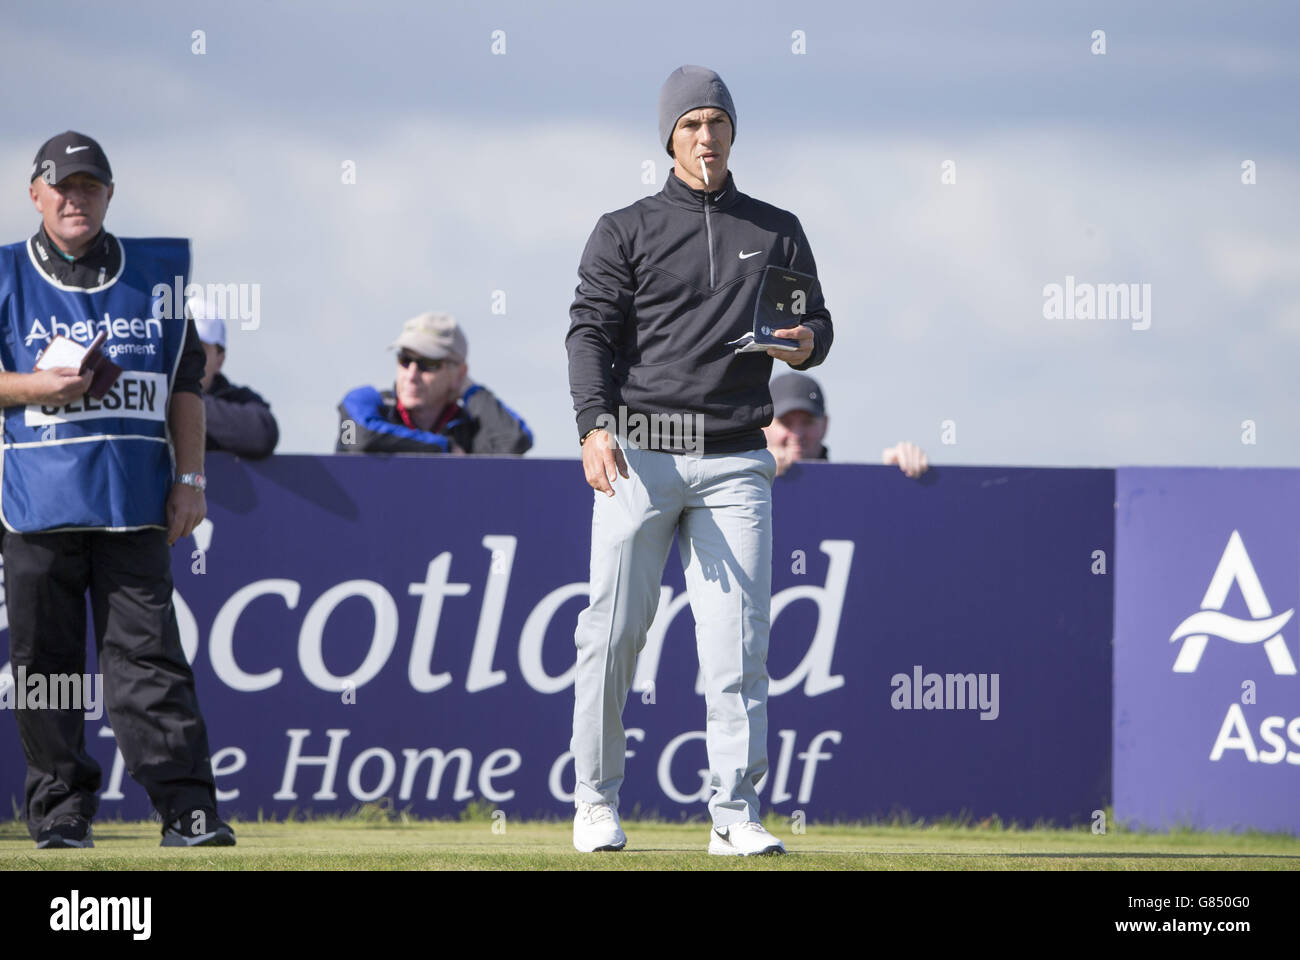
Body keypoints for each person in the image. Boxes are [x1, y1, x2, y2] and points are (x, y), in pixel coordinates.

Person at [566, 66, 832, 856]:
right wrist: (592, 425)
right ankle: (594, 803)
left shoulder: (777, 228)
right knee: (611, 638)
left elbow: (815, 324)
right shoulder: (625, 228)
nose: (706, 136)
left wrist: (808, 341)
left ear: (732, 132)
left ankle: (734, 815)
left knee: (737, 647)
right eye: (691, 125)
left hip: (739, 461)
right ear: (669, 138)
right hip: (640, 457)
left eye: (717, 122)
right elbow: (589, 334)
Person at [0, 131, 234, 848]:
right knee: (46, 669)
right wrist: (39, 386)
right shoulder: (6, 274)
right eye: (64, 186)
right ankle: (61, 811)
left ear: (109, 194)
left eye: (91, 186)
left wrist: (191, 479)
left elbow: (185, 385)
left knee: (150, 664)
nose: (77, 198)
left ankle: (188, 814)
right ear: (35, 192)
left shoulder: (154, 274)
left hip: (134, 507)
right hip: (36, 510)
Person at [335, 312, 533, 455]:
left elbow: (514, 441)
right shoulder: (367, 402)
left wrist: (471, 390)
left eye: (427, 364)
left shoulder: (469, 429)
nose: (411, 375)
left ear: (459, 373)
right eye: (404, 360)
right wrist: (444, 448)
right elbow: (358, 438)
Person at [764, 372, 929, 478]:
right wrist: (758, 472)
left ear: (825, 425)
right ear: (763, 426)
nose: (797, 434)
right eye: (785, 422)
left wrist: (895, 476)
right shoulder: (742, 486)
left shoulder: (844, 486)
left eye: (807, 422)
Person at [188, 297, 279, 460]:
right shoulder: (150, 395)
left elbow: (263, 434)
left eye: (200, 349)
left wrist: (184, 403)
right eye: (181, 347)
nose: (187, 358)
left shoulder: (238, 400)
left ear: (219, 360)